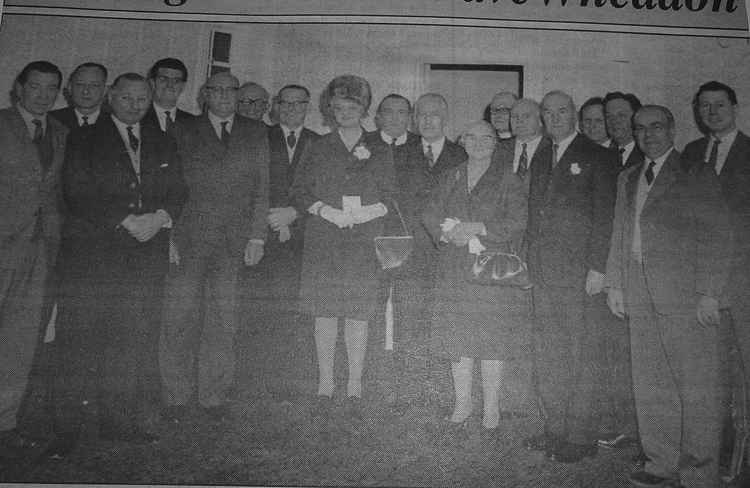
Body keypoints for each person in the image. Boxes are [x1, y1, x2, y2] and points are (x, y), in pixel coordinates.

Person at [47, 72, 187, 457]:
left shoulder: (161, 138)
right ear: (111, 97)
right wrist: (127, 221)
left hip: (144, 260)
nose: (135, 105)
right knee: (78, 343)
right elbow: (76, 190)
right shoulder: (84, 137)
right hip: (93, 259)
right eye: (126, 98)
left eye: (142, 98)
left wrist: (160, 218)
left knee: (129, 343)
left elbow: (179, 189)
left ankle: (118, 423)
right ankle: (65, 432)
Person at [606, 105, 732, 488]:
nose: (648, 135)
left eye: (656, 127)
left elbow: (718, 236)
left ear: (672, 130)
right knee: (651, 382)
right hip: (638, 290)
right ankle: (660, 464)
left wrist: (709, 292)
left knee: (696, 388)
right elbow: (619, 233)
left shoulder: (696, 173)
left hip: (685, 295)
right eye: (640, 128)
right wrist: (615, 283)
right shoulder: (628, 177)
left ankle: (699, 473)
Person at [159, 71, 269, 423]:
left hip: (233, 243)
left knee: (224, 319)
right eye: (216, 90)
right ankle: (175, 396)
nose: (223, 96)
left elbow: (262, 187)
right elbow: (170, 186)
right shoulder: (184, 129)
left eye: (230, 90)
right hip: (189, 239)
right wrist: (170, 236)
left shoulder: (255, 132)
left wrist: (257, 236)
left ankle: (213, 397)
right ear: (204, 94)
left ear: (238, 95)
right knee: (179, 317)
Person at [290, 74, 394, 420]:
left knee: (357, 314)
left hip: (363, 244)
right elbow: (301, 190)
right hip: (325, 240)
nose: (345, 113)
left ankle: (354, 383)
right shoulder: (317, 146)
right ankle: (325, 381)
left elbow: (392, 193)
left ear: (364, 110)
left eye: (352, 107)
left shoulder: (380, 147)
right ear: (329, 111)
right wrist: (325, 210)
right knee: (325, 313)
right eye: (338, 108)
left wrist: (369, 211)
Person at [423, 119, 532, 440]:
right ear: (463, 141)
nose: (479, 143)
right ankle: (462, 404)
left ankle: (491, 408)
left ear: (496, 144)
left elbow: (518, 222)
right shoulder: (451, 175)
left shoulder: (508, 179)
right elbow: (430, 213)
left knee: (490, 340)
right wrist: (447, 233)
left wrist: (479, 228)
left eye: (487, 138)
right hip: (454, 268)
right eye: (472, 137)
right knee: (459, 340)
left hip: (490, 269)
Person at [524, 90, 618, 463]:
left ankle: (580, 436)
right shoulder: (542, 154)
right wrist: (529, 263)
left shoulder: (598, 155)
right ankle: (555, 428)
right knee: (550, 352)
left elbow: (606, 215)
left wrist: (598, 267)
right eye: (548, 113)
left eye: (562, 111)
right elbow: (536, 215)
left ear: (574, 114)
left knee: (582, 354)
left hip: (581, 274)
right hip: (545, 273)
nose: (554, 118)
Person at [682, 81, 750, 481]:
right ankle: (720, 455)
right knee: (710, 377)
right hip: (700, 285)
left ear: (735, 107)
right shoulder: (691, 153)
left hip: (743, 282)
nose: (711, 112)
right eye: (704, 106)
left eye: (719, 105)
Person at [0, 60, 67, 453]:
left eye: (51, 88)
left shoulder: (59, 132)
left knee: (20, 339)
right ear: (19, 88)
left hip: (39, 249)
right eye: (36, 87)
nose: (43, 95)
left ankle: (5, 422)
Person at [143, 58, 195, 133]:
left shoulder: (192, 123)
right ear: (152, 83)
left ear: (183, 86)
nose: (170, 85)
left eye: (176, 81)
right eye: (163, 79)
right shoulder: (138, 116)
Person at [50, 62, 107, 130]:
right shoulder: (51, 119)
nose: (86, 91)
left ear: (105, 90)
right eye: (80, 84)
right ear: (70, 88)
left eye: (94, 85)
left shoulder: (115, 122)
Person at [604, 91, 643, 168]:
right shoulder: (602, 155)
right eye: (609, 116)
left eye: (621, 115)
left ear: (637, 118)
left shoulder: (648, 153)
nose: (614, 121)